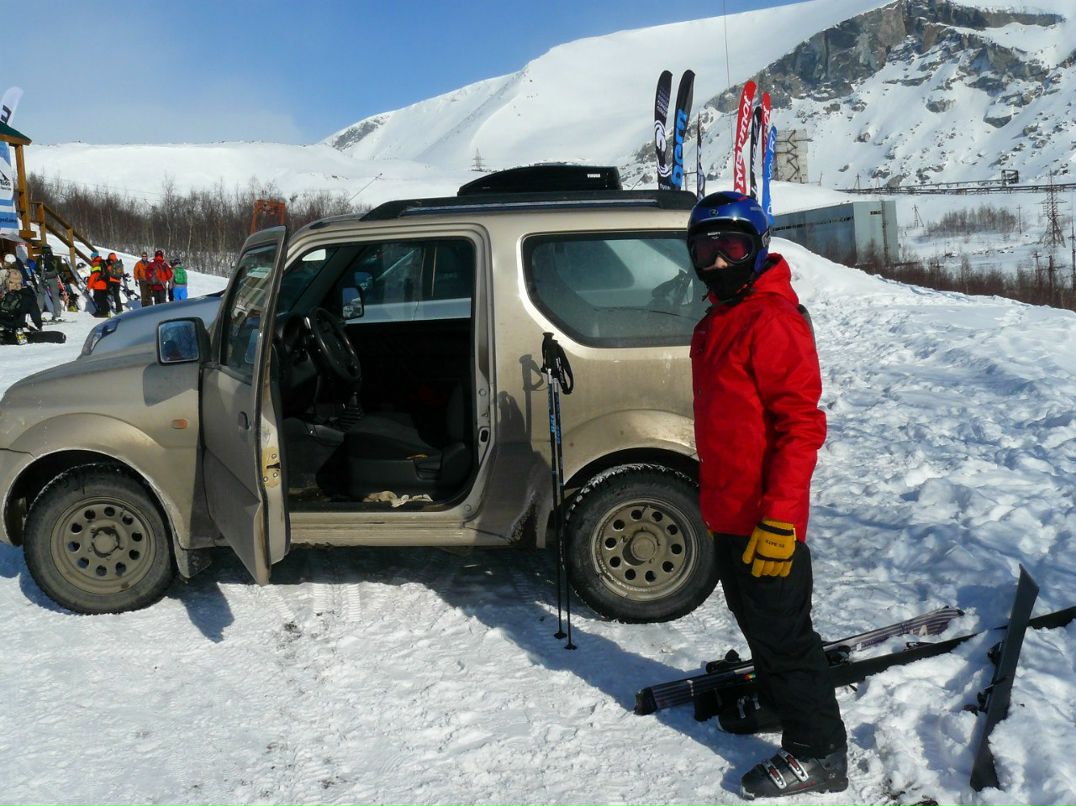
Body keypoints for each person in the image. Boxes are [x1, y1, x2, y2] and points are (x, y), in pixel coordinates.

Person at [686, 191, 847, 799]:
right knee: (755, 622)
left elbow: (800, 425)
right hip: (729, 511)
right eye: (706, 248)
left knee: (785, 635)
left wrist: (780, 520)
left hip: (765, 519)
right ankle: (781, 703)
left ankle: (819, 751)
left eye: (733, 247)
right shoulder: (720, 319)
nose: (719, 262)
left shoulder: (770, 319)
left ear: (758, 250)